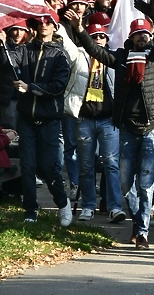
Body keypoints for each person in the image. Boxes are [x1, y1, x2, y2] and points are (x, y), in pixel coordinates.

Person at [70, 11, 154, 249]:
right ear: (130, 37)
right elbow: (97, 51)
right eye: (137, 35)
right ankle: (139, 222)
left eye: (145, 34)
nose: (141, 38)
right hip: (127, 127)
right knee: (126, 185)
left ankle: (142, 231)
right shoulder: (121, 57)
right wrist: (79, 29)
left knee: (146, 184)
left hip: (152, 128)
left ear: (150, 36)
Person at [0, 11, 72, 225]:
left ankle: (62, 202)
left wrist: (31, 88)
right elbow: (9, 62)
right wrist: (4, 43)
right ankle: (30, 209)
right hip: (26, 119)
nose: (44, 26)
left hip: (49, 119)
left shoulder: (60, 55)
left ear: (55, 27)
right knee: (27, 166)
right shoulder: (26, 49)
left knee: (49, 167)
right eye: (41, 22)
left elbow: (58, 87)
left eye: (49, 22)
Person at [58, 20, 125, 224]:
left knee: (111, 164)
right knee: (86, 165)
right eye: (94, 37)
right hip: (85, 118)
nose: (98, 40)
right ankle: (88, 205)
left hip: (108, 120)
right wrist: (60, 25)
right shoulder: (79, 56)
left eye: (102, 37)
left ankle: (114, 207)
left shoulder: (112, 58)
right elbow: (67, 46)